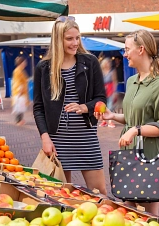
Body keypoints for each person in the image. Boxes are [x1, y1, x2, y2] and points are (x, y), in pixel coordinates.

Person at [94, 29, 159, 216]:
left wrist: (136, 131)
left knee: (149, 214)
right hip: (128, 154)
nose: (124, 54)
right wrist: (113, 116)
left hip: (149, 156)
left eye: (127, 49)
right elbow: (132, 119)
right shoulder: (131, 81)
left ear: (141, 50)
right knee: (127, 209)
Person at [33, 16, 107, 195]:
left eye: (77, 38)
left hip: (86, 137)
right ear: (58, 40)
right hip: (57, 140)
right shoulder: (44, 68)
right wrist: (45, 138)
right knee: (61, 194)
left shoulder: (90, 62)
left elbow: (101, 99)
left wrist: (85, 107)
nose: (75, 43)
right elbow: (38, 107)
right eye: (69, 39)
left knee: (99, 192)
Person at [99, 58, 117, 128]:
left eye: (108, 63)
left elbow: (115, 81)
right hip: (103, 90)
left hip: (110, 89)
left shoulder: (112, 71)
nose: (107, 64)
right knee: (103, 106)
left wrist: (115, 91)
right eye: (106, 63)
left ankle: (110, 121)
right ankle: (104, 121)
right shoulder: (101, 72)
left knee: (110, 106)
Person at [11, 56, 29, 126]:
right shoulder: (18, 71)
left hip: (22, 91)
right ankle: (18, 120)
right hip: (19, 91)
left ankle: (20, 119)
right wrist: (20, 90)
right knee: (19, 106)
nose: (25, 63)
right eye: (24, 62)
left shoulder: (21, 70)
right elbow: (18, 82)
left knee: (21, 106)